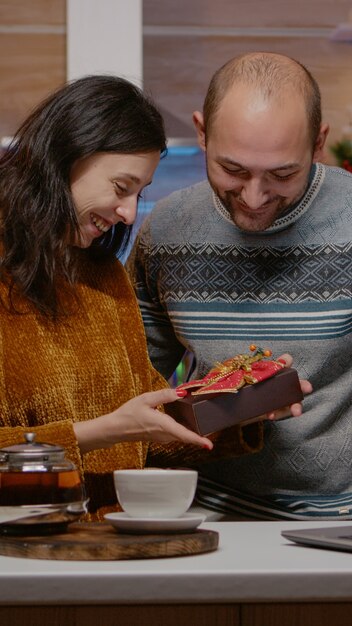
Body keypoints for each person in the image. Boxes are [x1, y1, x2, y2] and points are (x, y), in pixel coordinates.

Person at [0, 74, 271, 521]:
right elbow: (118, 431)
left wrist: (242, 409)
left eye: (138, 194)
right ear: (67, 155)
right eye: (121, 187)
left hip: (109, 551)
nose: (128, 213)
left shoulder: (105, 277)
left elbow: (146, 431)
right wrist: (97, 433)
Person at [128, 51, 352, 521]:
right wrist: (218, 406)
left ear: (318, 143)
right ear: (202, 133)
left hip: (343, 518)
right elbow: (130, 389)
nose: (254, 196)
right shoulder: (165, 229)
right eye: (233, 170)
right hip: (206, 509)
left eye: (282, 174)